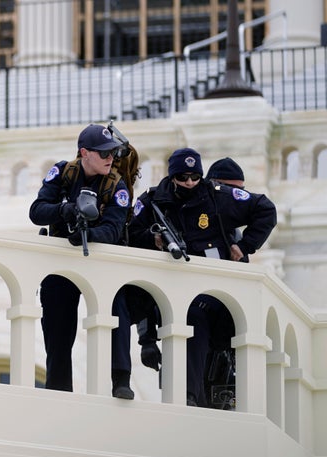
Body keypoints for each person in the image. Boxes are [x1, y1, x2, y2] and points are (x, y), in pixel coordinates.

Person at [127, 147, 277, 406]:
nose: (189, 183)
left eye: (194, 178)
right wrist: (147, 339)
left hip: (221, 299)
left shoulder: (216, 198)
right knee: (191, 322)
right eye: (182, 178)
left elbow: (265, 209)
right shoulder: (153, 201)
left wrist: (245, 246)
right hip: (178, 298)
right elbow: (129, 241)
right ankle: (189, 399)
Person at [29, 124, 132, 396]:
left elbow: (114, 228)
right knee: (57, 324)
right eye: (103, 154)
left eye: (112, 153)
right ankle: (59, 387)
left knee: (115, 309)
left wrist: (89, 233)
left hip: (99, 259)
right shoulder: (63, 173)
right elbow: (37, 211)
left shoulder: (115, 185)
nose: (110, 158)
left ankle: (121, 380)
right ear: (84, 153)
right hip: (62, 260)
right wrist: (66, 211)